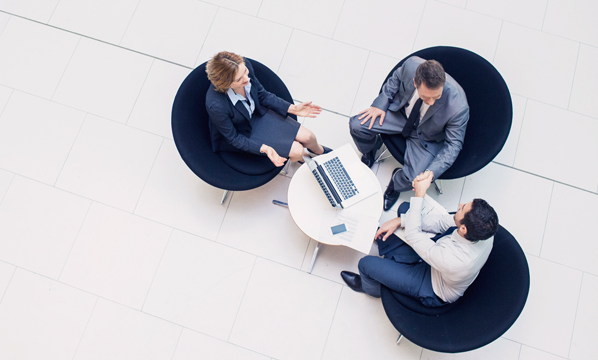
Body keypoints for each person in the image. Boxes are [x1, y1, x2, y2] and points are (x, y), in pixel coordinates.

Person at [340, 171, 498, 307]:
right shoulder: (484, 232)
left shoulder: (455, 261)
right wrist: (400, 220)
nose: (460, 204)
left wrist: (420, 194)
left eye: (462, 208)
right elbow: (444, 222)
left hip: (432, 285)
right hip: (441, 258)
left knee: (366, 264)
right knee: (406, 210)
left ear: (463, 228)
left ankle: (372, 289)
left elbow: (413, 235)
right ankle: (392, 254)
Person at [349, 57, 469, 211]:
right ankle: (370, 148)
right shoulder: (411, 65)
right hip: (400, 116)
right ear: (415, 82)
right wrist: (381, 104)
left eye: (436, 97)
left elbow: (454, 145)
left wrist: (431, 174)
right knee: (357, 125)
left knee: (414, 179)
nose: (431, 102)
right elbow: (396, 79)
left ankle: (395, 183)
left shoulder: (459, 107)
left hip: (427, 136)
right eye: (425, 97)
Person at [206, 51, 331, 167]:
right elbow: (233, 138)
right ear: (226, 84)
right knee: (297, 151)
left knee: (309, 137)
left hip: (258, 114)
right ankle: (308, 161)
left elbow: (262, 95)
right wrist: (264, 148)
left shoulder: (244, 67)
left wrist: (293, 109)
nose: (247, 79)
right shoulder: (217, 105)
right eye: (239, 79)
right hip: (243, 132)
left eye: (245, 71)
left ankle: (319, 151)